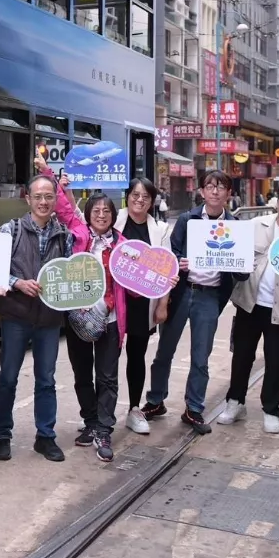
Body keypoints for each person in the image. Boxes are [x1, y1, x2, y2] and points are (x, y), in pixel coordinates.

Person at [38, 158, 127, 463]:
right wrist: (48, 173)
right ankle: (90, 421)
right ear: (88, 215)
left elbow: (143, 275)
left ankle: (104, 428)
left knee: (107, 377)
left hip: (111, 319)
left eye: (106, 212)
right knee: (81, 374)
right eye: (96, 211)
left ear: (114, 216)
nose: (101, 215)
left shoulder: (123, 245)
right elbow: (63, 205)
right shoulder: (78, 233)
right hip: (77, 317)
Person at [141, 170, 244, 435]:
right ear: (201, 192)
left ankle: (193, 408)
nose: (215, 191)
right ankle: (155, 400)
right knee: (165, 349)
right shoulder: (188, 220)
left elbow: (242, 273)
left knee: (201, 356)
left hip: (209, 296)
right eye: (210, 186)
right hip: (183, 291)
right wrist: (180, 263)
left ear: (229, 193)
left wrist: (240, 262)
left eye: (221, 187)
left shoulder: (235, 226)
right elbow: (171, 255)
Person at [0, 173, 74, 463]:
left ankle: (45, 436)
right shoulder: (9, 230)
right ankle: (2, 436)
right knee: (8, 377)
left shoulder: (64, 235)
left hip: (49, 319)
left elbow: (69, 273)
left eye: (49, 196)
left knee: (46, 379)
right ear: (27, 198)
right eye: (37, 196)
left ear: (55, 199)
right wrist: (17, 283)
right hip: (16, 315)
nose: (43, 201)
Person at [217, 179, 279, 433]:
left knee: (278, 361)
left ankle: (271, 409)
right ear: (277, 202)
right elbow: (231, 255)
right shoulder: (254, 226)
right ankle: (235, 403)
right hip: (249, 304)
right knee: (242, 357)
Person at [112, 177, 172, 436]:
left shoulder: (159, 230)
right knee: (106, 358)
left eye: (145, 196)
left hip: (142, 304)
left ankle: (134, 409)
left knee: (136, 357)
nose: (139, 200)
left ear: (152, 201)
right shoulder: (113, 220)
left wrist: (162, 305)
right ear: (128, 196)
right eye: (135, 195)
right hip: (114, 301)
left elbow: (166, 269)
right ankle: (99, 411)